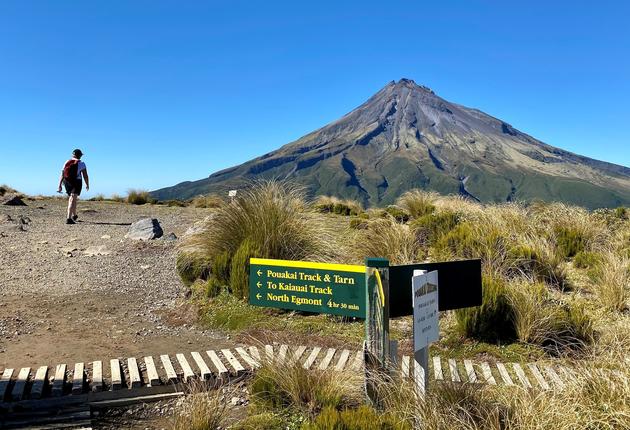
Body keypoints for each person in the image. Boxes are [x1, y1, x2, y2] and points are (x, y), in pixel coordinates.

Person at [57, 149, 90, 224]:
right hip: (76, 181)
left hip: (67, 182)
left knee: (73, 198)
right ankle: (68, 218)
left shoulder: (66, 162)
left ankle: (74, 215)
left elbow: (62, 174)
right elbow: (85, 175)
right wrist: (87, 184)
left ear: (73, 155)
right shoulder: (82, 163)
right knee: (72, 198)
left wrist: (59, 185)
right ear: (80, 155)